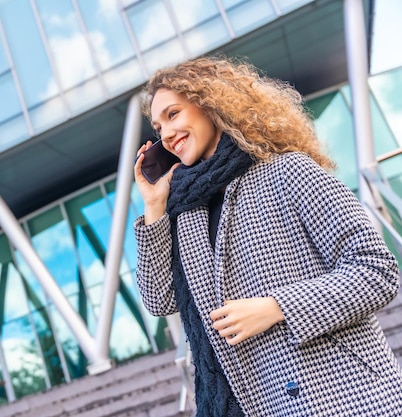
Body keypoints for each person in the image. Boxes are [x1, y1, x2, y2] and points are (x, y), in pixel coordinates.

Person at [133, 55, 402, 417]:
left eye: (173, 114)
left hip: (340, 398)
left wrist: (277, 308)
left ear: (211, 105)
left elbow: (377, 271)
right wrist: (154, 207)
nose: (165, 134)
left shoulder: (289, 171)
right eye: (157, 126)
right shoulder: (184, 212)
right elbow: (159, 301)